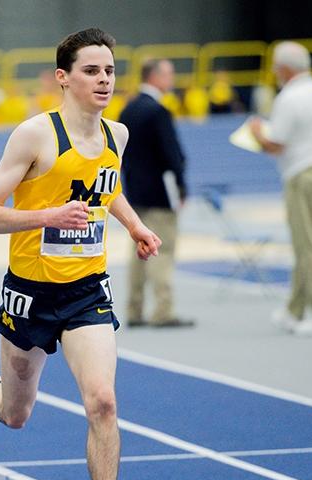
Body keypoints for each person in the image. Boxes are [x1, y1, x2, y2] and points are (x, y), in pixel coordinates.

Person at [0, 28, 161, 480]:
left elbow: (105, 186)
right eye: (91, 71)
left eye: (110, 71)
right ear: (64, 78)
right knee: (17, 415)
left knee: (103, 400)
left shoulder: (117, 134)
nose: (103, 80)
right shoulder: (34, 135)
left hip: (86, 291)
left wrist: (135, 225)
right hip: (29, 292)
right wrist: (48, 216)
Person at [249, 41, 312, 336]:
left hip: (304, 173)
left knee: (306, 248)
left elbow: (276, 144)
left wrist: (256, 133)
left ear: (284, 69)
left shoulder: (289, 97)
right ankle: (295, 309)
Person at [118, 59, 194, 328]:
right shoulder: (158, 111)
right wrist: (182, 187)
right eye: (169, 74)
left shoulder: (128, 110)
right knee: (161, 249)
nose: (172, 80)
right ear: (154, 77)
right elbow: (172, 155)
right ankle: (162, 310)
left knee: (137, 250)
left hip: (135, 192)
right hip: (161, 194)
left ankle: (134, 309)